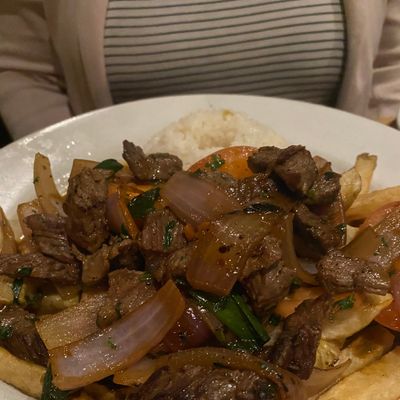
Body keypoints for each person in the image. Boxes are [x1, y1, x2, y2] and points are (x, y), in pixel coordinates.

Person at [0, 0, 399, 140]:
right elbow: (24, 69)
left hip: (327, 186)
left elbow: (389, 57)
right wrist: (76, 164)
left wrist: (368, 142)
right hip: (121, 185)